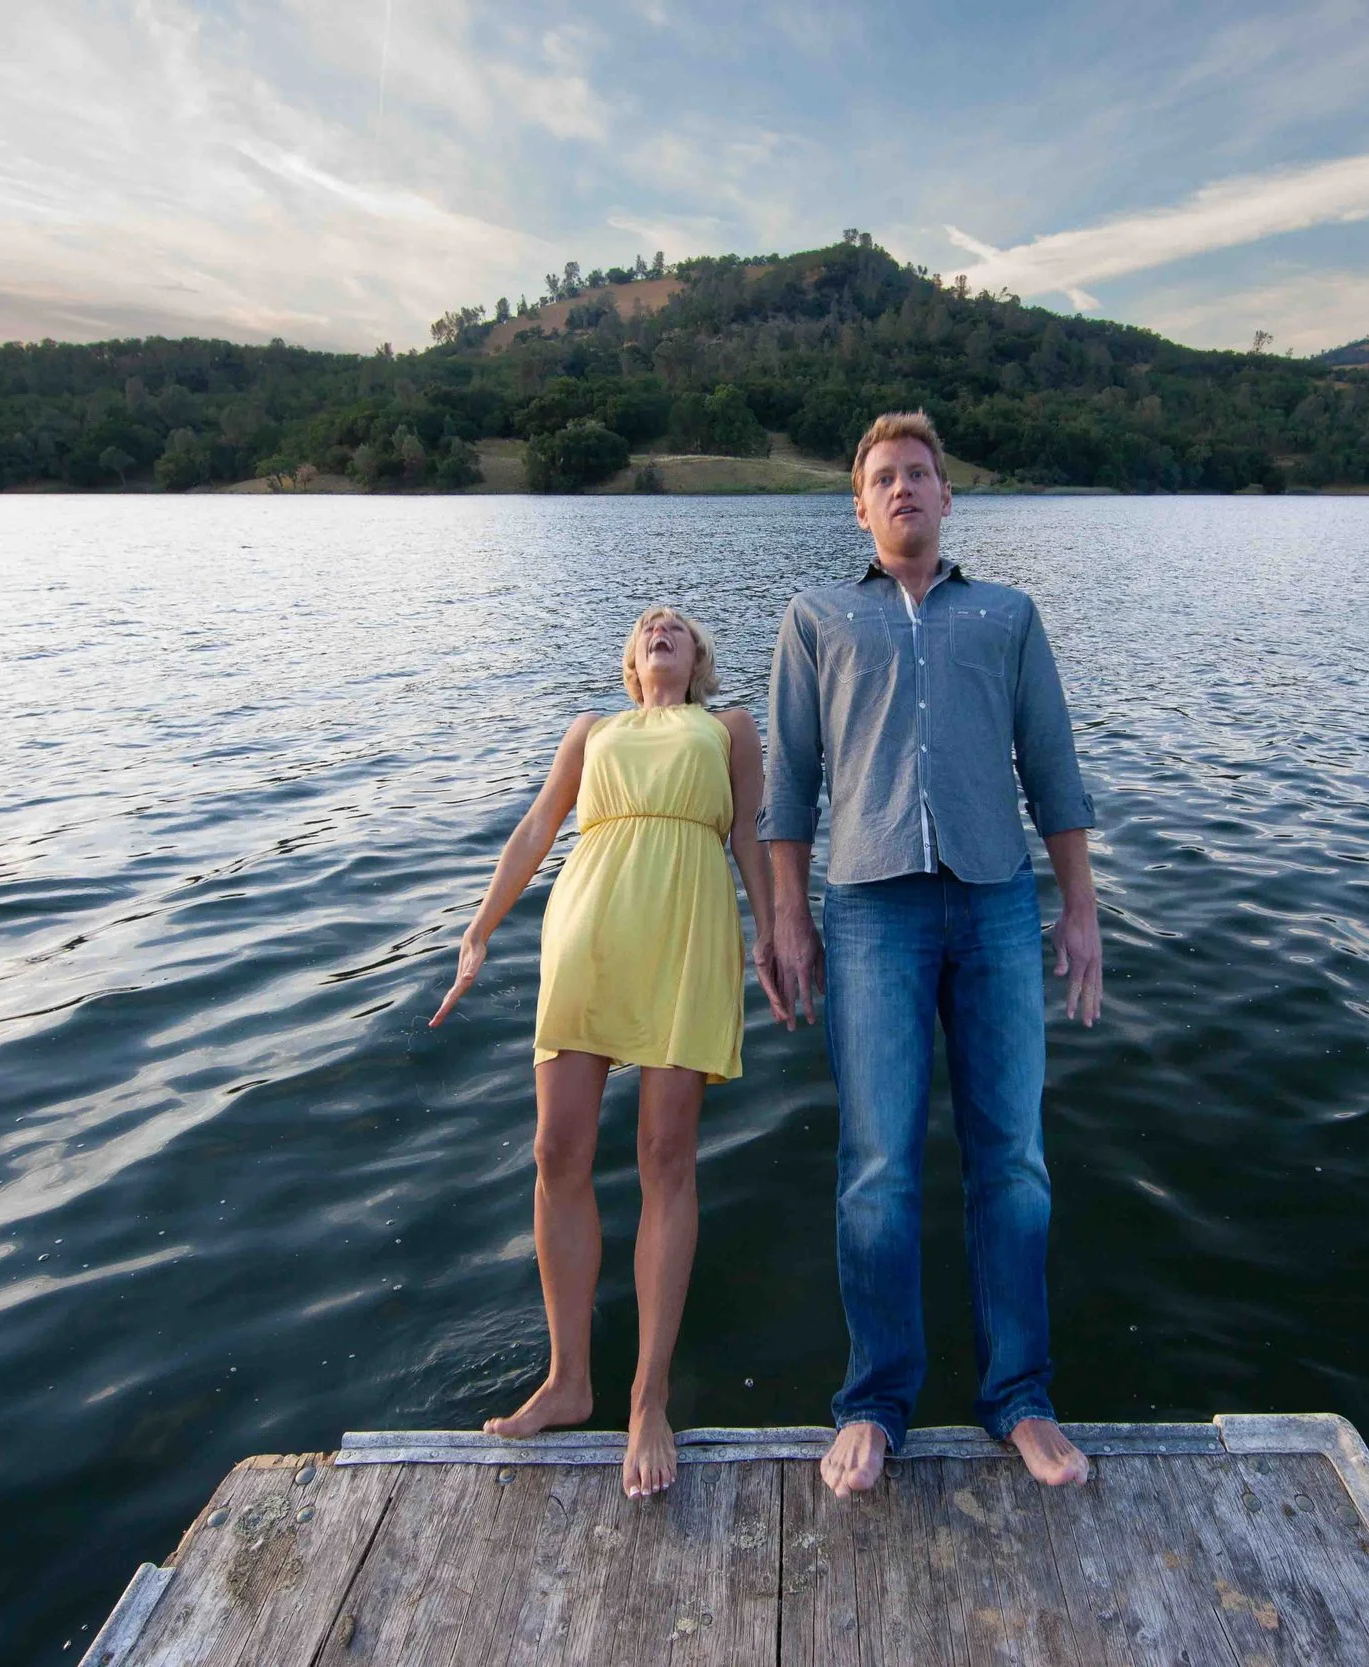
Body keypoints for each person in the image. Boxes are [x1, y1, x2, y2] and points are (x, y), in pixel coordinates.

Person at [759, 409, 1103, 1500]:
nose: (903, 487)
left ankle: (1021, 1394)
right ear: (858, 505)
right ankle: (874, 1400)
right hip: (869, 912)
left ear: (948, 497)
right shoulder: (815, 617)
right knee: (877, 1169)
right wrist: (784, 918)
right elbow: (786, 789)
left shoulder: (1007, 614)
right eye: (882, 477)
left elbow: (1051, 765)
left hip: (998, 903)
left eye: (919, 473)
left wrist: (1079, 907)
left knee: (1013, 1159)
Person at [433, 606, 781, 1499]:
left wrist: (773, 938)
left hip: (687, 928)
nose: (661, 627)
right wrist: (478, 931)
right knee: (557, 1151)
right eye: (646, 625)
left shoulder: (729, 727)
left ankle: (647, 1392)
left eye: (679, 625)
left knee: (666, 1154)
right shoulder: (591, 731)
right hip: (588, 926)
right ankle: (569, 1377)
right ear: (631, 660)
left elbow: (749, 841)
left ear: (699, 657)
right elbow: (537, 827)